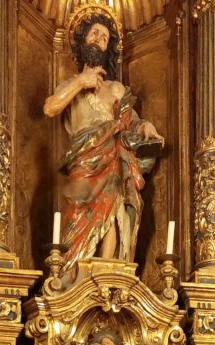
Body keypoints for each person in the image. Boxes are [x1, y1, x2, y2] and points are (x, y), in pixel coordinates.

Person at [43, 10, 164, 275]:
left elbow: (130, 121)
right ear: (82, 40)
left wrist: (144, 125)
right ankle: (70, 275)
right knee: (78, 216)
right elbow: (51, 107)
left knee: (116, 204)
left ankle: (108, 271)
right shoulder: (70, 84)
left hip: (113, 157)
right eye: (94, 34)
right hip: (84, 160)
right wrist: (80, 82)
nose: (99, 40)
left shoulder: (115, 88)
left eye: (105, 37)